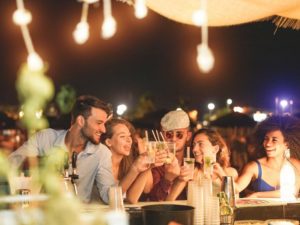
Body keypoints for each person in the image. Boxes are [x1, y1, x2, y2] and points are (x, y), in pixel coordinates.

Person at [8, 95, 115, 203]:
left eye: (104, 124)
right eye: (99, 123)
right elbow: (11, 164)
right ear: (81, 121)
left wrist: (131, 170)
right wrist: (42, 164)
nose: (104, 130)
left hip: (79, 216)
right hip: (43, 213)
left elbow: (108, 195)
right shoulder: (45, 139)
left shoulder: (102, 153)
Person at [235, 115, 300, 198]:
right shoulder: (254, 167)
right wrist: (221, 173)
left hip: (290, 211)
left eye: (274, 140)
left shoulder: (296, 166)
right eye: (266, 139)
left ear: (286, 144)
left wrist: (257, 195)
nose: (268, 144)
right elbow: (237, 188)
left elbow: (292, 192)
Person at [166, 128, 238, 200]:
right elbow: (169, 200)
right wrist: (180, 180)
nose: (194, 149)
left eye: (200, 144)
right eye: (194, 145)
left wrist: (222, 175)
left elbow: (235, 198)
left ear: (215, 149)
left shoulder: (230, 172)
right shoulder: (191, 172)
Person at [100, 118, 153, 203]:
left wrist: (148, 161)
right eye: (122, 136)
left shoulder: (127, 164)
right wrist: (135, 169)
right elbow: (112, 199)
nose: (129, 140)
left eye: (129, 136)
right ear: (109, 142)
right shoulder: (100, 165)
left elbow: (145, 190)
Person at [148, 109, 191, 201]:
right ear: (163, 136)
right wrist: (167, 179)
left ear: (188, 136)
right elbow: (155, 200)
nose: (174, 139)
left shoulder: (192, 160)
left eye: (179, 135)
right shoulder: (156, 162)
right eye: (169, 134)